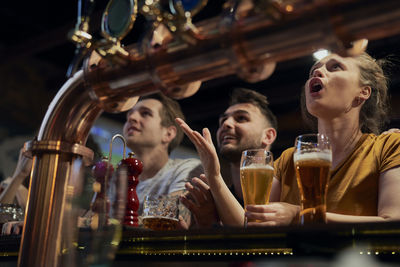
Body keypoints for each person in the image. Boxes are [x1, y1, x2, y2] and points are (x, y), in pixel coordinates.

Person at [177, 52, 400, 227]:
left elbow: (393, 222)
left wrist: (299, 214)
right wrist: (215, 176)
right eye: (314, 69)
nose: (319, 72)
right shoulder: (288, 159)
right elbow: (252, 226)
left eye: (335, 67)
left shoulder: (388, 147)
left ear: (363, 92)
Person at [179, 88, 278, 228]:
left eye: (241, 118)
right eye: (223, 120)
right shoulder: (212, 203)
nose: (226, 124)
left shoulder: (286, 190)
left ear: (268, 136)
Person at [122, 92, 202, 226]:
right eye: (129, 114)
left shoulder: (187, 168)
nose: (132, 118)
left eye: (145, 113)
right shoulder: (117, 179)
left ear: (168, 133)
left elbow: (169, 221)